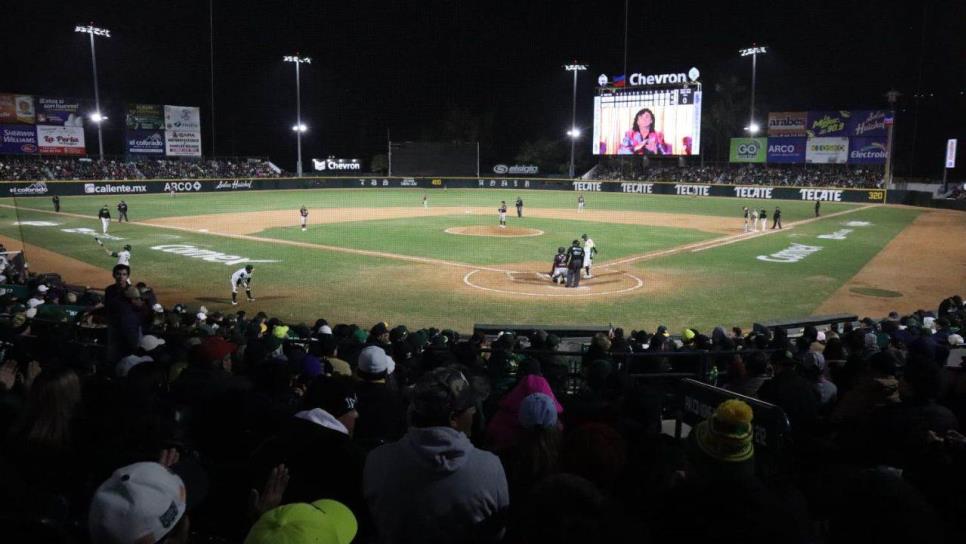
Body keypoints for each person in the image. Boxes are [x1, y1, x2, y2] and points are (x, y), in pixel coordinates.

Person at [363, 367, 509, 543]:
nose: (474, 412)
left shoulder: (377, 460)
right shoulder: (489, 467)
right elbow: (497, 533)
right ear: (453, 418)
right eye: (470, 407)